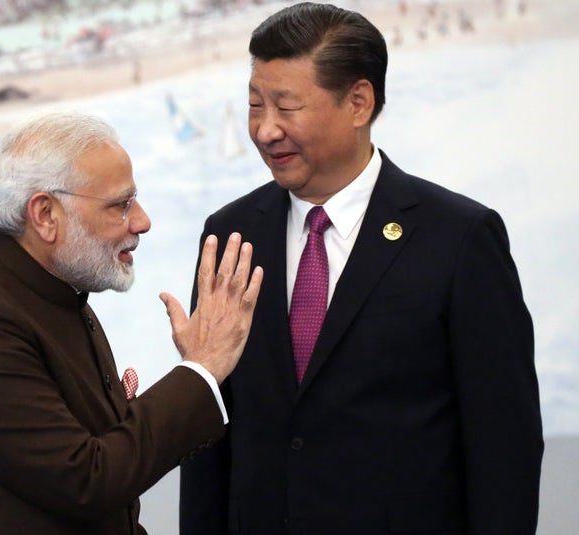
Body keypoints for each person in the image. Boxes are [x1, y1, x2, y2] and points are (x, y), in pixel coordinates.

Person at [179, 3, 543, 534]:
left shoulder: (459, 238)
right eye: (255, 105)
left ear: (358, 101)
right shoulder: (233, 233)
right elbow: (208, 430)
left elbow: (503, 444)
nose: (264, 130)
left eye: (286, 107)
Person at [0, 111, 263, 535]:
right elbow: (85, 482)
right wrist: (201, 368)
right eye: (121, 204)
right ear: (45, 215)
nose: (142, 222)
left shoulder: (55, 297)